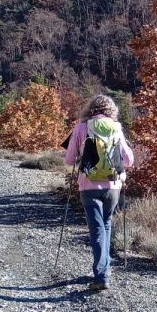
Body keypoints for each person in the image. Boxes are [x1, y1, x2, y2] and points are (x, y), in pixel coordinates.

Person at [63, 94, 134, 291]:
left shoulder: (81, 127)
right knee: (106, 224)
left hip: (88, 185)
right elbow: (128, 161)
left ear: (90, 109)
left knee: (96, 230)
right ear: (112, 111)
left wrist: (81, 155)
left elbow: (69, 160)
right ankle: (104, 269)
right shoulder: (116, 128)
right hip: (113, 186)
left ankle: (102, 274)